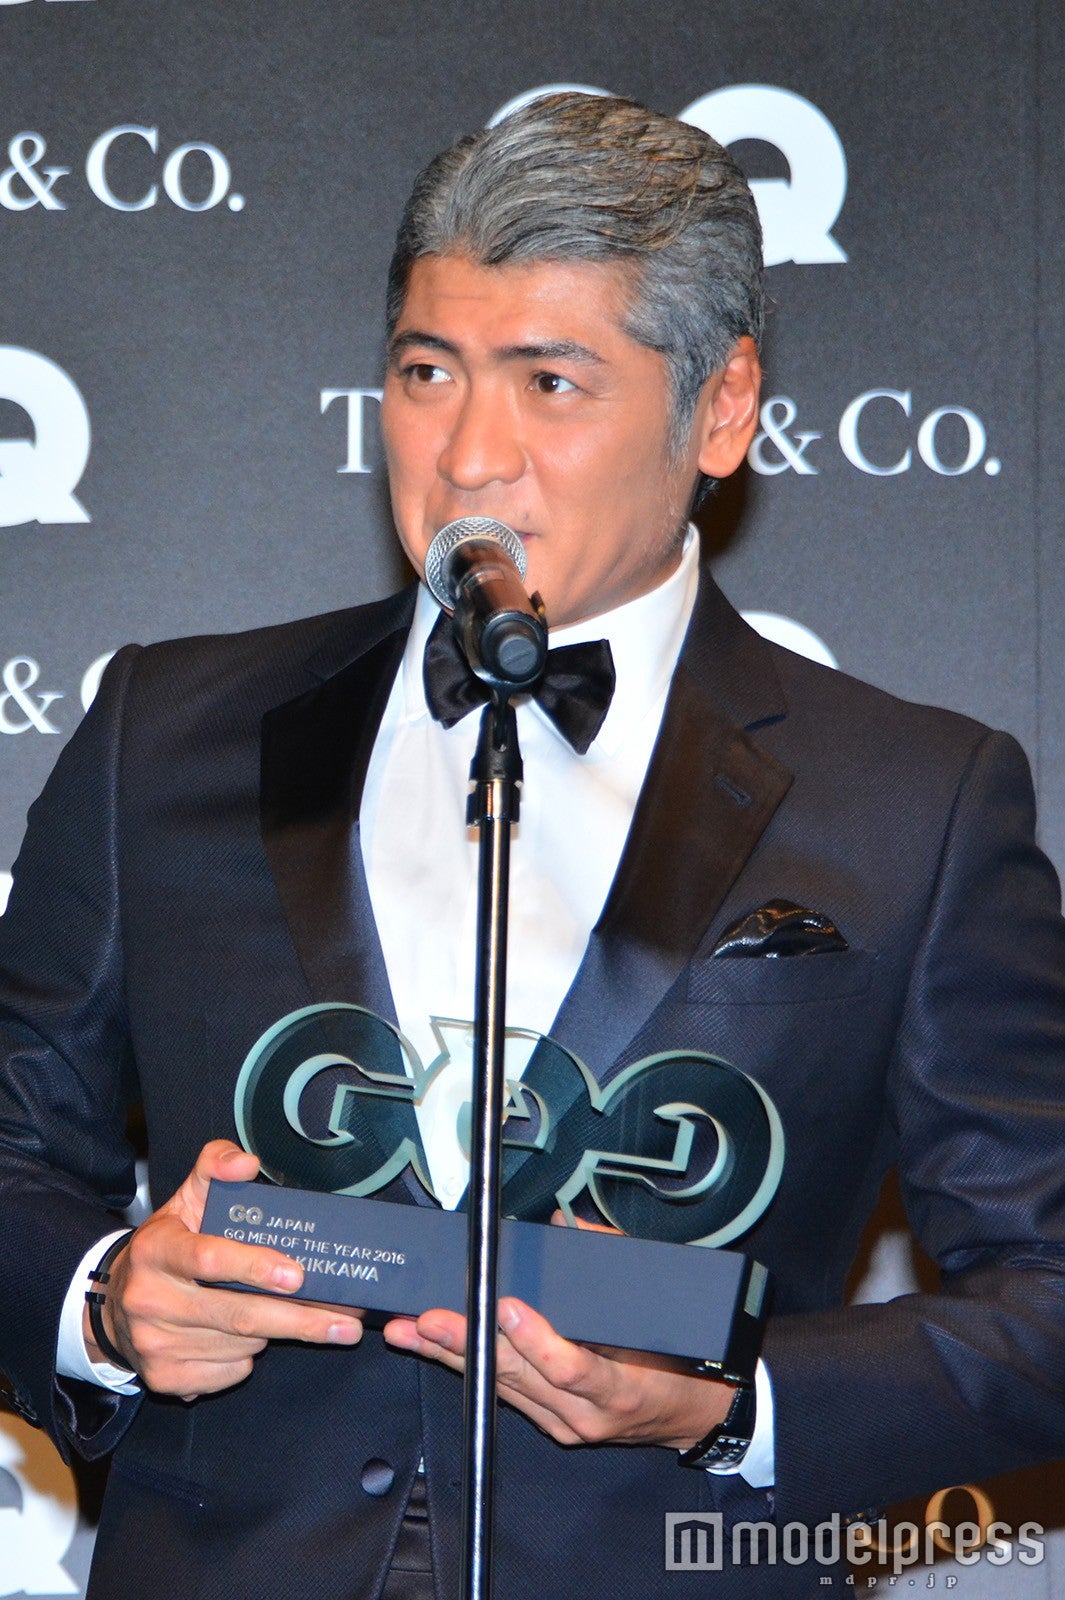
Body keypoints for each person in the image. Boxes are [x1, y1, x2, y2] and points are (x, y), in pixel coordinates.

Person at [1, 92, 1064, 1600]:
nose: (469, 455)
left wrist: (734, 1407)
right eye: (426, 372)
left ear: (720, 409)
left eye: (550, 382)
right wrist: (106, 1299)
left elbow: (1049, 1292)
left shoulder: (918, 801)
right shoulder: (163, 734)